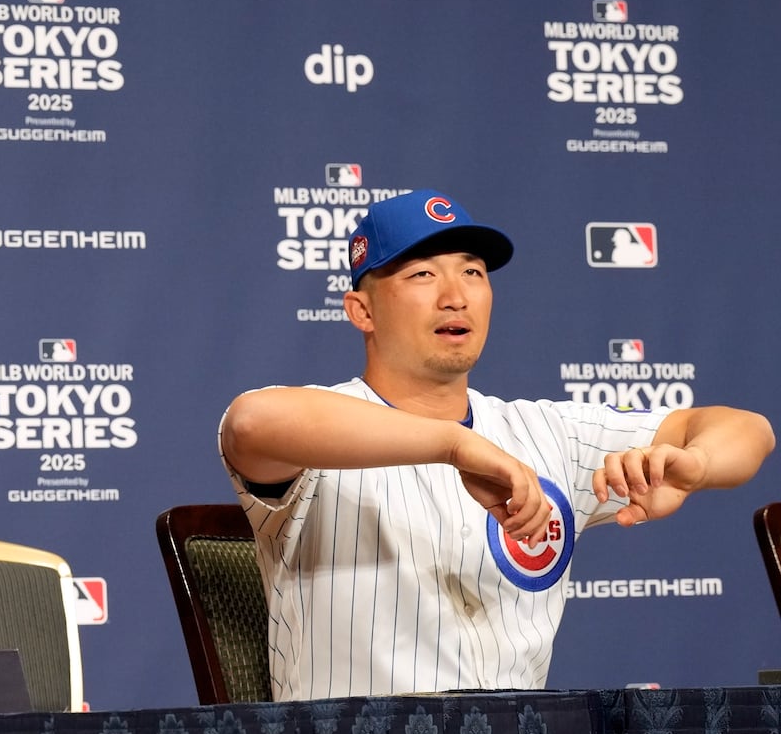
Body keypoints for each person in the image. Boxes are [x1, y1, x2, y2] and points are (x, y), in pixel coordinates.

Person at [218, 189, 773, 701]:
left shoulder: (545, 432)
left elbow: (750, 431)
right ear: (362, 310)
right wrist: (457, 446)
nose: (456, 296)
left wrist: (693, 464)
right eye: (422, 275)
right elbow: (249, 422)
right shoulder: (319, 429)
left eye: (473, 272)